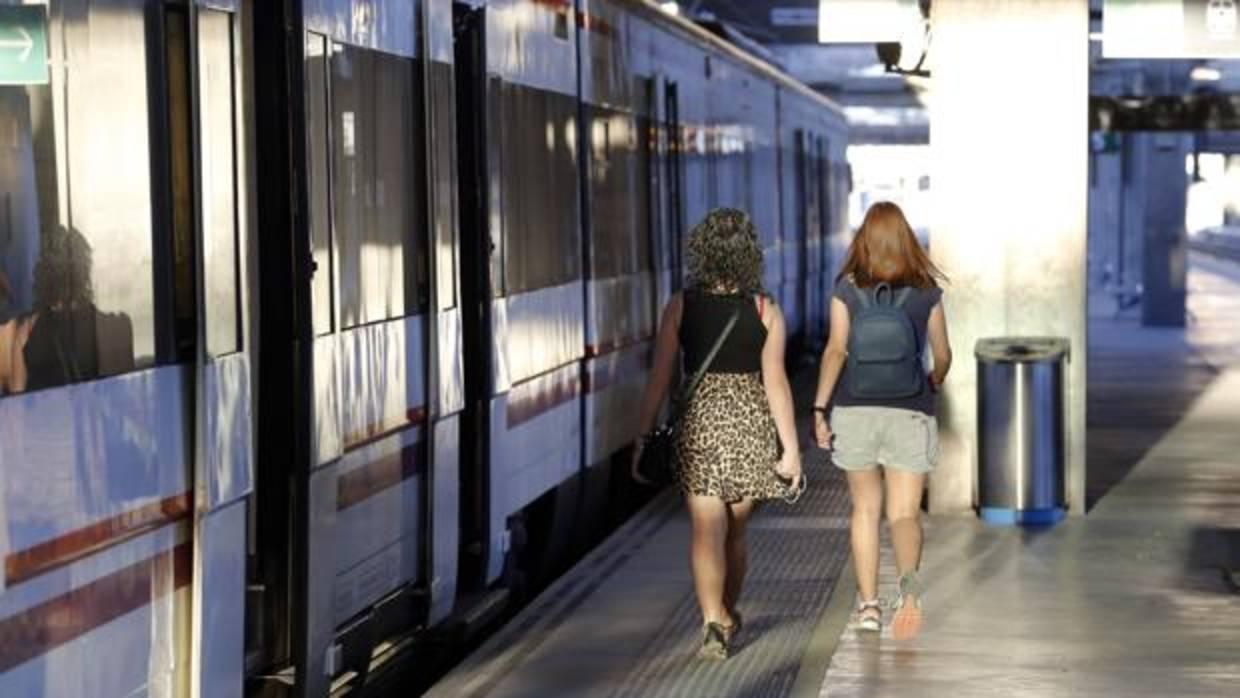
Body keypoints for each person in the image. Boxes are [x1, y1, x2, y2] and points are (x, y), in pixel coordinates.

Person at [632, 208, 803, 660]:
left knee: (706, 529)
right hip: (749, 426)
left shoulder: (680, 306)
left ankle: (713, 621)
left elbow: (660, 379)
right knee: (735, 533)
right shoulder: (765, 310)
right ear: (750, 254)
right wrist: (790, 450)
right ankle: (726, 612)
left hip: (701, 428)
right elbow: (777, 384)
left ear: (702, 252)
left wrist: (643, 436)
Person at [811, 201, 951, 641]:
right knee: (904, 513)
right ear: (906, 238)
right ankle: (907, 592)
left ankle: (869, 607)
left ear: (865, 240)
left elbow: (835, 350)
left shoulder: (847, 290)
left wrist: (819, 409)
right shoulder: (926, 291)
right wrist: (934, 380)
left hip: (855, 410)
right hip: (910, 409)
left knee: (865, 510)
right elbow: (943, 354)